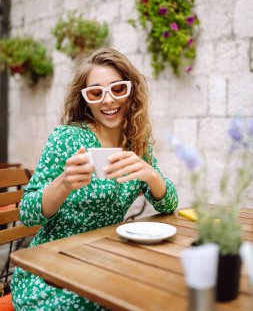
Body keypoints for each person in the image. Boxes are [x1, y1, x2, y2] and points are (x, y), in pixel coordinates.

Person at [11, 48, 178, 310]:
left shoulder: (137, 139)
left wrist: (150, 173)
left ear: (130, 91)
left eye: (117, 89)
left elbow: (169, 205)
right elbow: (27, 213)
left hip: (107, 260)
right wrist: (63, 184)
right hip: (52, 269)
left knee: (163, 290)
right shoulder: (66, 138)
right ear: (86, 99)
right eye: (97, 93)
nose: (108, 101)